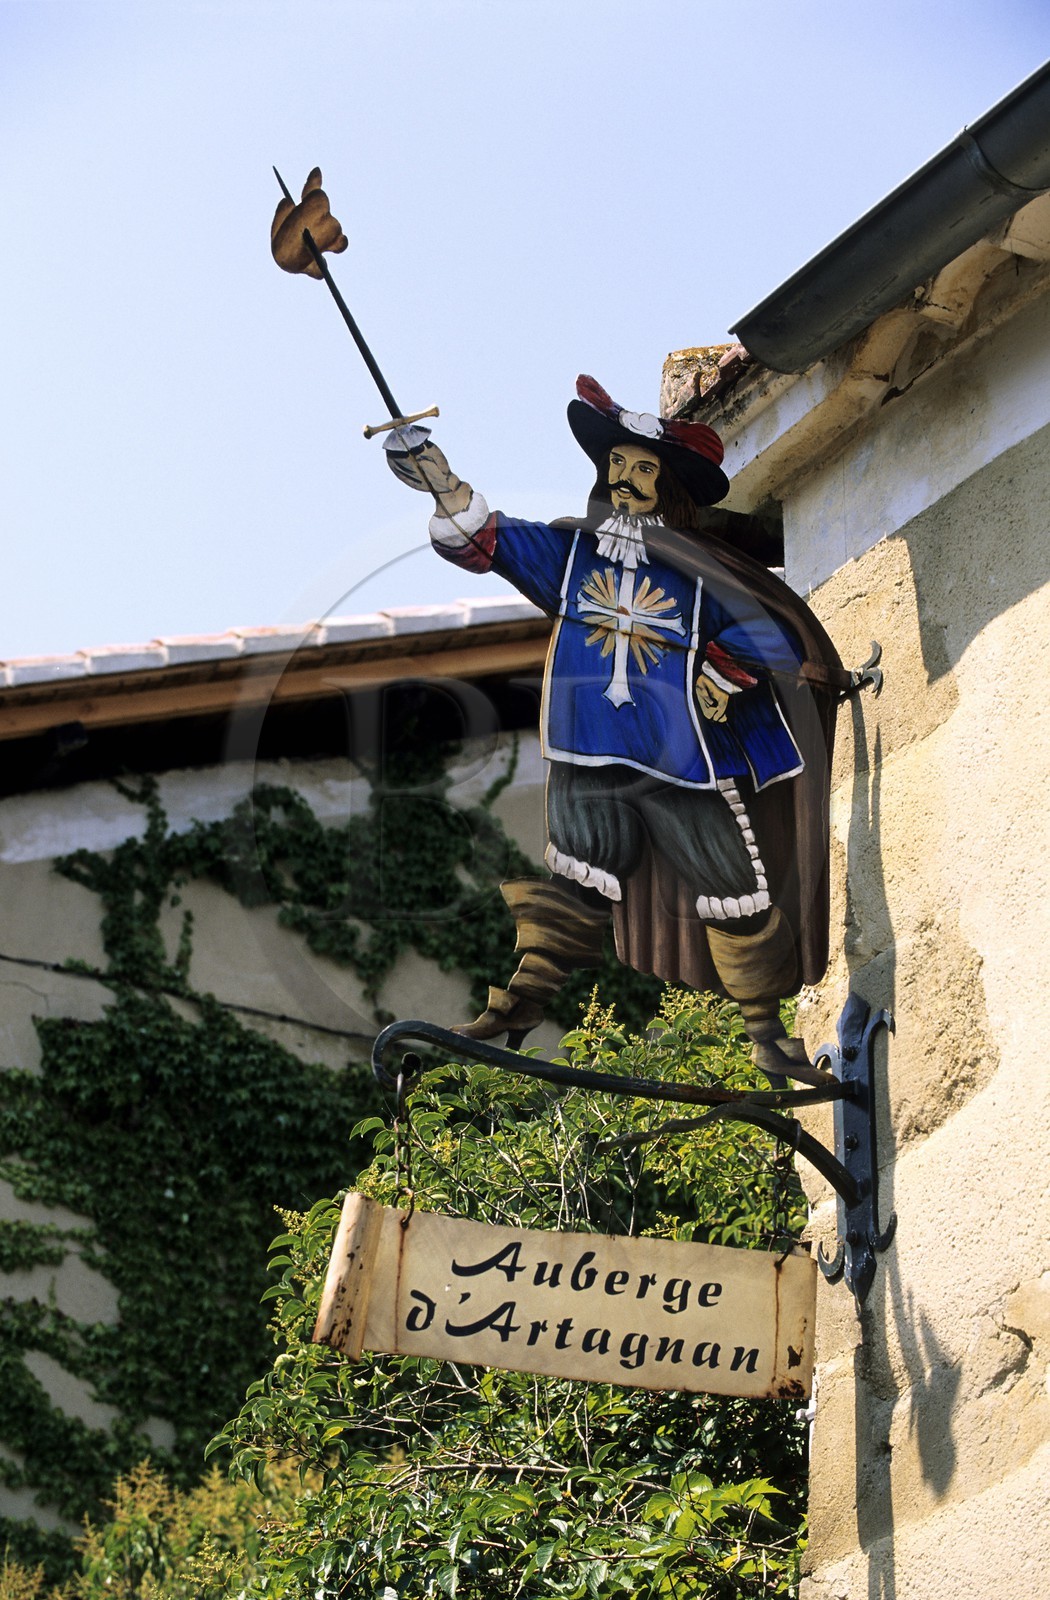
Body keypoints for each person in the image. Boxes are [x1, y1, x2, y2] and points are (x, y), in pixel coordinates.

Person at [383, 375, 847, 1079]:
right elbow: (490, 542)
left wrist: (719, 681)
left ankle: (768, 1038)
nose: (627, 482)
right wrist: (442, 483)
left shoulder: (697, 579)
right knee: (573, 882)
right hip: (587, 750)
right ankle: (517, 1007)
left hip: (679, 761)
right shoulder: (569, 558)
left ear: (669, 489)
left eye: (644, 470)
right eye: (619, 468)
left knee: (735, 887)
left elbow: (769, 642)